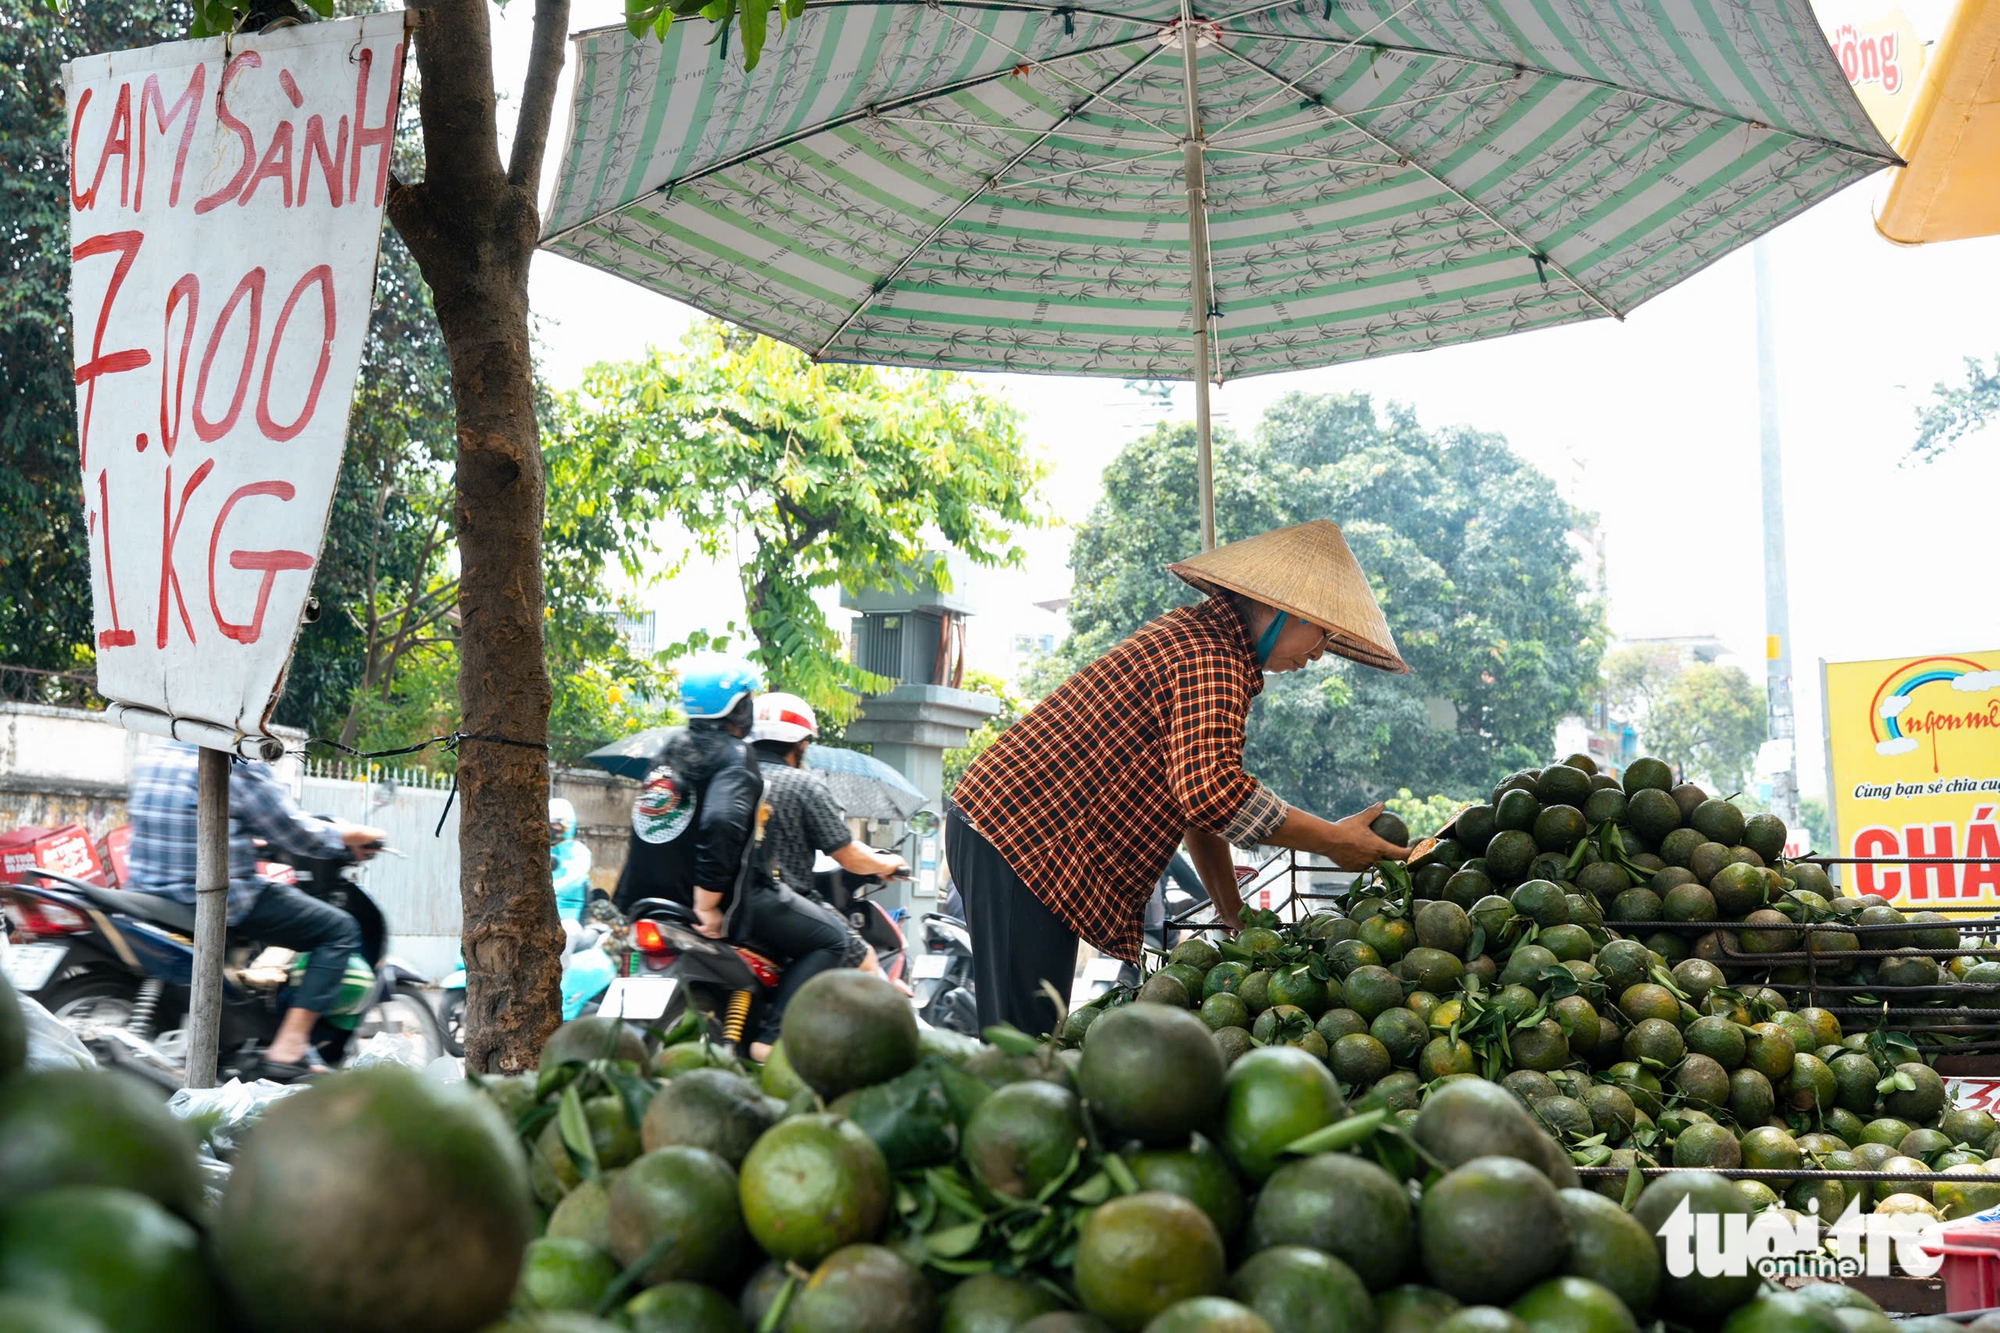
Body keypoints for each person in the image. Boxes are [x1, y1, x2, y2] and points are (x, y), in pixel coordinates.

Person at [948, 519, 1413, 1035]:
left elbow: (1192, 806)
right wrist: (1331, 841)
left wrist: (1233, 914)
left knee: (1033, 1034)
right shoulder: (1211, 658)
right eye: (1321, 631)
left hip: (1015, 833)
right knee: (1025, 1041)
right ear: (1285, 610)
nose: (1321, 650)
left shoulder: (1204, 642)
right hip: (1022, 835)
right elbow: (1213, 794)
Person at [611, 654, 850, 1058]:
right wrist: (707, 905)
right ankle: (769, 1041)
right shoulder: (735, 756)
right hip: (728, 900)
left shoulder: (667, 752)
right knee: (832, 938)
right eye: (749, 700)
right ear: (738, 708)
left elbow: (648, 824)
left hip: (647, 899)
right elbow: (722, 823)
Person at [125, 742, 384, 1078]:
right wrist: (349, 836)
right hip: (217, 900)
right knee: (338, 929)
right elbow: (294, 831)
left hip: (149, 894)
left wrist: (248, 838)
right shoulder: (235, 761)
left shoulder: (156, 753)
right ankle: (290, 1044)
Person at [748, 692, 906, 973]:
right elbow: (848, 854)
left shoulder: (731, 777)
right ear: (801, 743)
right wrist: (888, 863)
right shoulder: (802, 785)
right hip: (787, 901)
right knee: (863, 958)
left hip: (727, 904)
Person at [548, 797, 592, 925]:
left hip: (571, 915)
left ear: (567, 825)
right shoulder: (542, 851)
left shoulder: (578, 851)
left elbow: (575, 878)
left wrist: (548, 891)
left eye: (554, 823)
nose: (550, 827)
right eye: (548, 823)